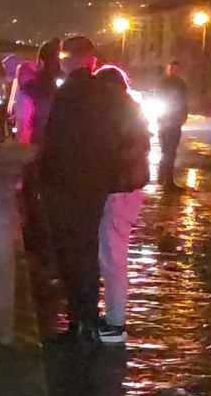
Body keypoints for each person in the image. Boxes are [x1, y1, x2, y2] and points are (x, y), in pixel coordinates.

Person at [37, 36, 117, 346]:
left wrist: (44, 179)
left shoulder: (67, 93)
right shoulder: (103, 91)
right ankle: (88, 317)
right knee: (88, 251)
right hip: (95, 184)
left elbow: (55, 143)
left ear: (68, 59)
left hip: (67, 185)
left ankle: (78, 321)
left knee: (71, 254)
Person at [94, 65, 151, 344]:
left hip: (120, 190)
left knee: (113, 257)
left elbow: (115, 153)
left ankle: (116, 324)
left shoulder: (116, 113)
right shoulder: (131, 110)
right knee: (111, 254)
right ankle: (114, 318)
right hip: (128, 189)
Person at [155, 61, 189, 192]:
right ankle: (165, 178)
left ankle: (165, 177)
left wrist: (182, 117)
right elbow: (159, 100)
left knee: (170, 151)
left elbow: (184, 101)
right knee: (167, 150)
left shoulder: (180, 84)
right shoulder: (164, 83)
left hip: (173, 122)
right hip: (166, 122)